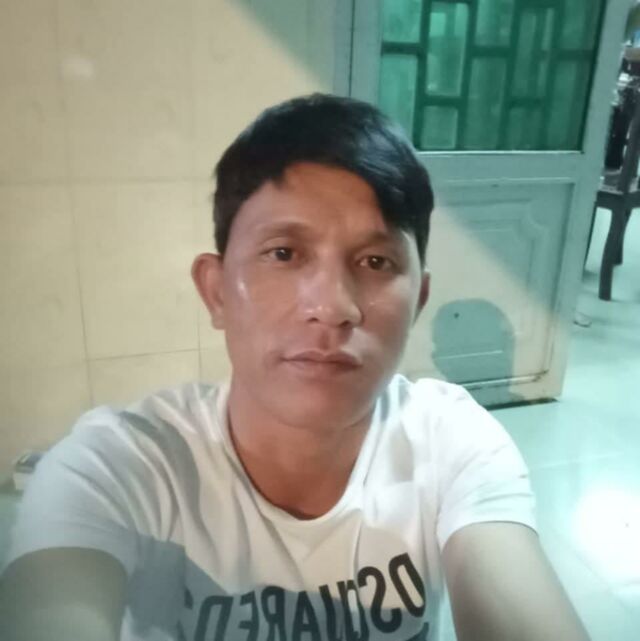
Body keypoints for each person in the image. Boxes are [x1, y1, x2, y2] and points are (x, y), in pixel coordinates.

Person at [0, 94, 589, 641]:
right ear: (216, 292)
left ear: (419, 301)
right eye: (283, 253)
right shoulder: (120, 467)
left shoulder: (451, 442)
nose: (332, 307)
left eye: (376, 261)